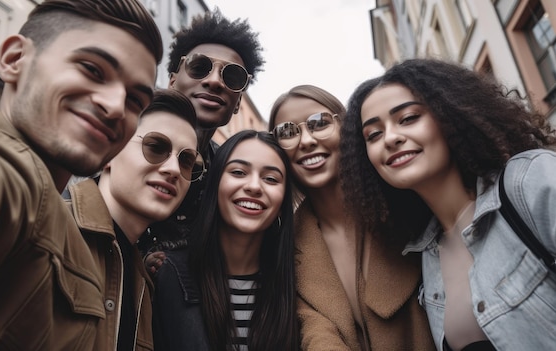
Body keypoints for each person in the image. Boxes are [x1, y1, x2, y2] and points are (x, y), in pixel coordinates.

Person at [0, 0, 162, 349]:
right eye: (92, 69)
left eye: (135, 101)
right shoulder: (11, 177)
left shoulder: (65, 222)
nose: (115, 106)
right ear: (14, 60)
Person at [341, 58, 556, 350]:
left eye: (408, 118)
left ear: (449, 115)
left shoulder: (529, 181)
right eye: (374, 135)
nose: (390, 138)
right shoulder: (425, 258)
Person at [268, 85, 435, 350]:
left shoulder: (405, 204)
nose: (307, 141)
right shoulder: (283, 244)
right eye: (288, 132)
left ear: (347, 128)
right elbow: (312, 328)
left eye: (319, 123)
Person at [65, 89, 202, 351]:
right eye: (156, 147)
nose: (174, 169)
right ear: (110, 152)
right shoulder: (47, 225)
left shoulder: (144, 280)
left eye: (186, 160)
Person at [152, 130, 299, 351]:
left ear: (282, 203)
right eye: (239, 172)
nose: (254, 187)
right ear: (215, 186)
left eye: (270, 178)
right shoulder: (169, 275)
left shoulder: (298, 286)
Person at [141, 9, 265, 267]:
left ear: (238, 102)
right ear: (172, 81)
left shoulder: (232, 176)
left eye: (232, 77)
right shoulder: (121, 142)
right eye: (199, 67)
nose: (214, 81)